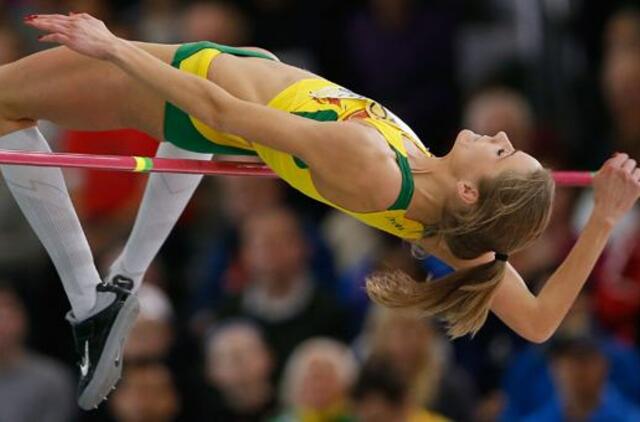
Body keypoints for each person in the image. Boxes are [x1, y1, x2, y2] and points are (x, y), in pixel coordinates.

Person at [0, 12, 637, 410]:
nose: (501, 140)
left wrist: (113, 47)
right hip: (243, 80)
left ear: (473, 191)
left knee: (4, 103)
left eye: (505, 153)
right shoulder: (451, 229)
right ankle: (121, 284)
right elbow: (537, 321)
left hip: (189, 88)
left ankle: (91, 298)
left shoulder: (373, 166)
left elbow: (218, 113)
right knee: (186, 142)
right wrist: (603, 219)